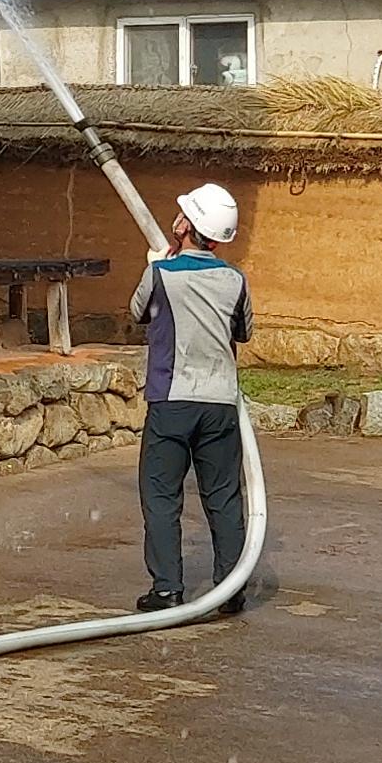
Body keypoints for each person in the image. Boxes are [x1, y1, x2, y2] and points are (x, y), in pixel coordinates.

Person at [131, 180, 257, 613]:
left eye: (183, 213)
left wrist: (155, 267)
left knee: (161, 494)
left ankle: (167, 589)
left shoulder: (160, 275)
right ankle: (231, 589)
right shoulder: (236, 280)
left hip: (171, 401)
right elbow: (243, 331)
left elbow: (137, 313)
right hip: (220, 403)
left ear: (186, 226)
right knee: (223, 497)